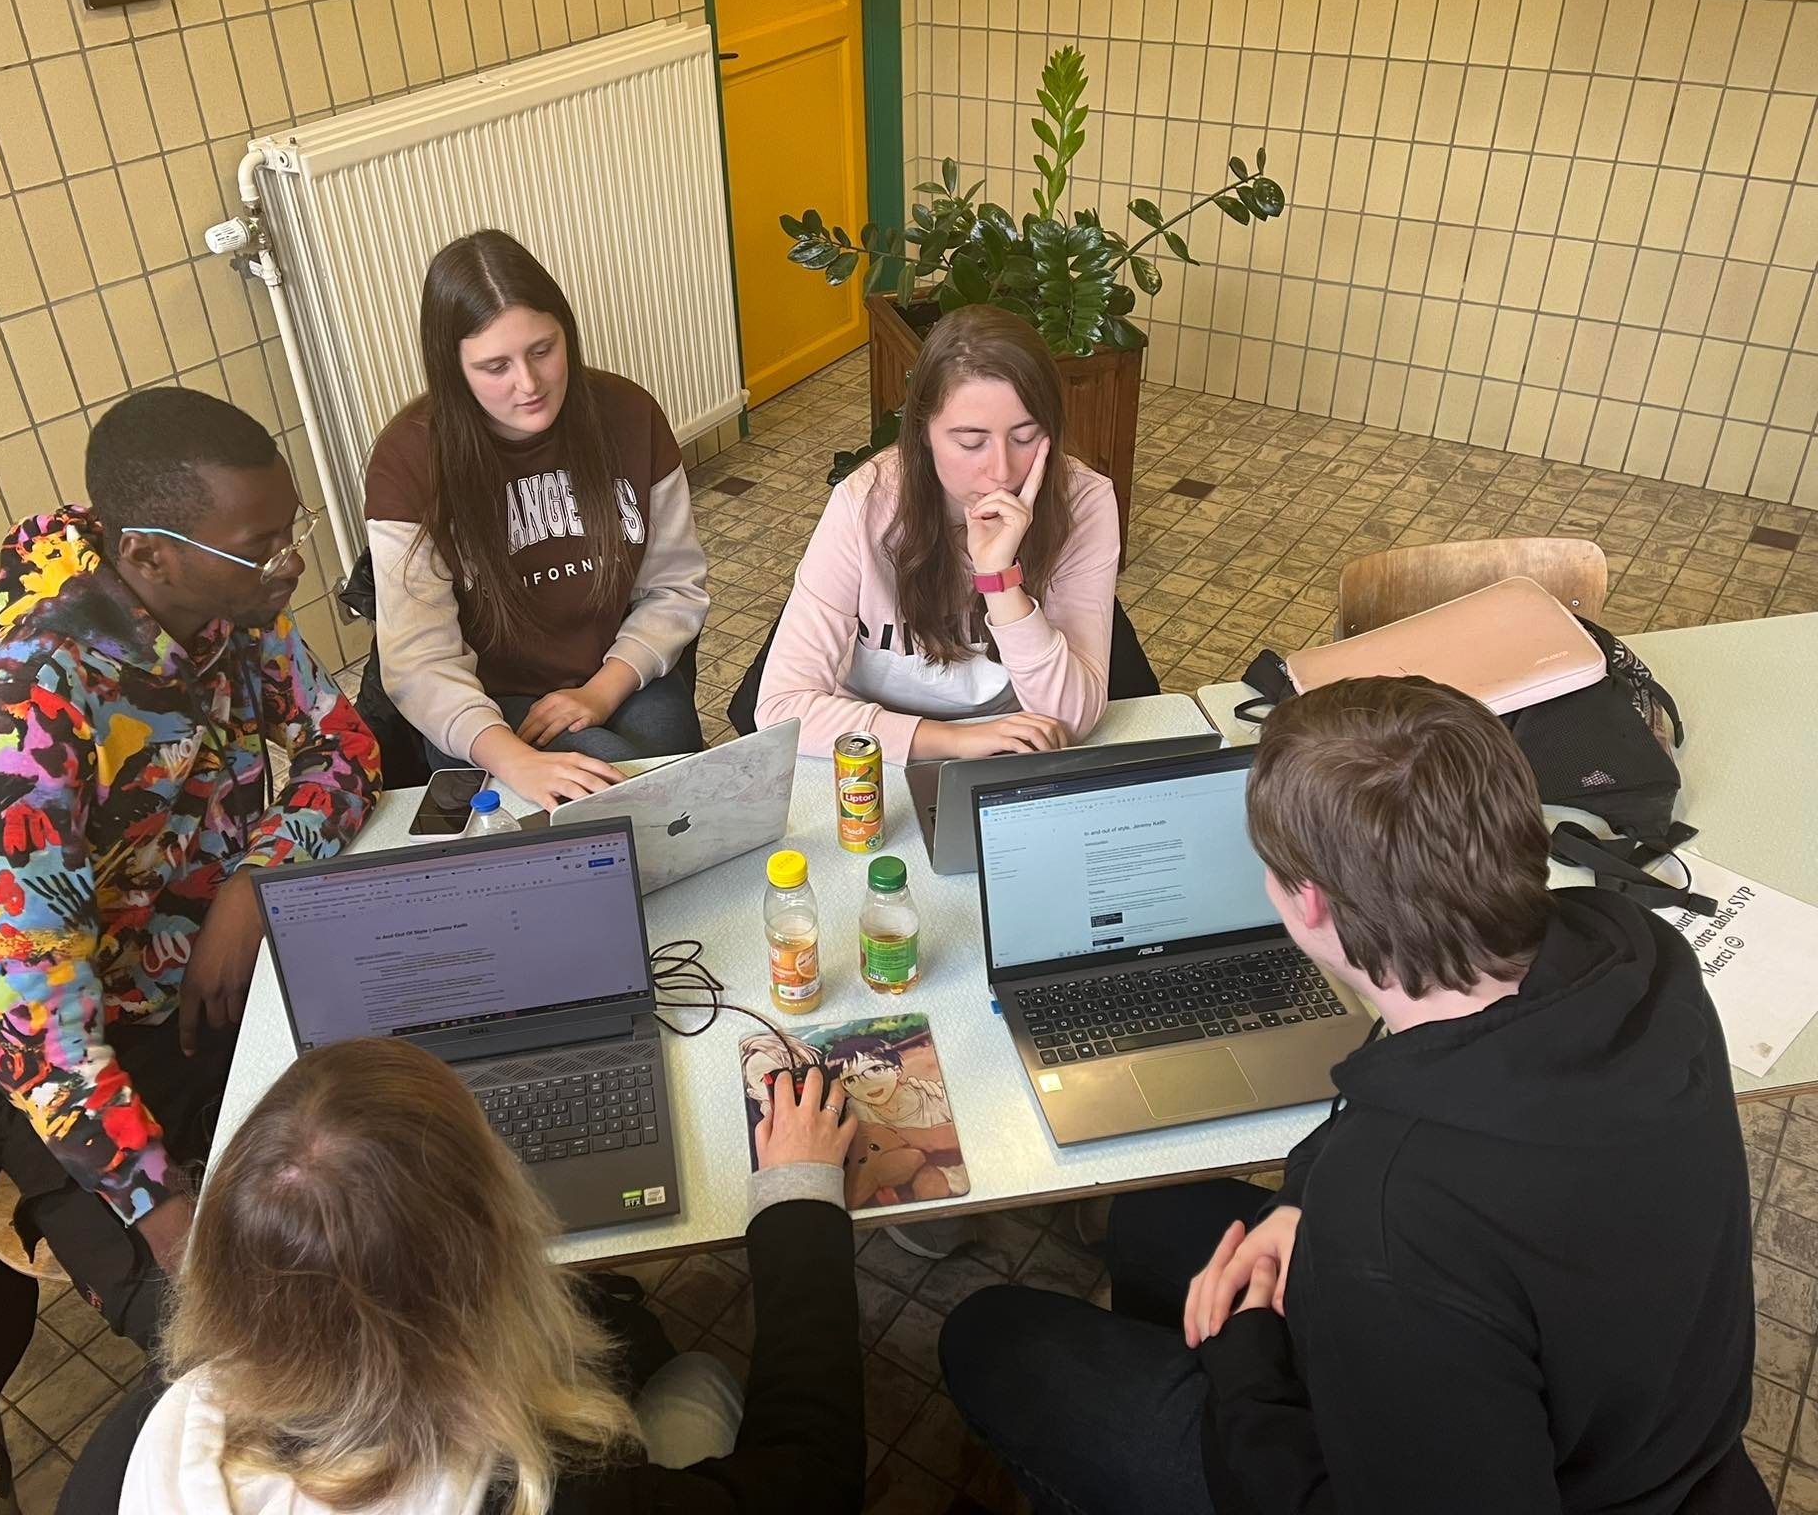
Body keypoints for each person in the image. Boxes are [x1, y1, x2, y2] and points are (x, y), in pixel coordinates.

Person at [940, 676, 1762, 1514]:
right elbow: (1428, 1097)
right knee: (1152, 1216)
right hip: (1644, 1432)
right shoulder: (1634, 950)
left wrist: (1249, 1368)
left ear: (1310, 903)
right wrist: (1301, 1203)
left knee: (990, 1338)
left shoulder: (1391, 1226)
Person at [0, 387, 382, 1350]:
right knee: (220, 1342)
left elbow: (346, 747)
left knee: (396, 1183)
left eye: (285, 534)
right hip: (50, 1061)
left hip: (199, 980)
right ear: (146, 554)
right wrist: (176, 1229)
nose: (288, 564)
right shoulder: (25, 716)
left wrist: (253, 884)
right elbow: (39, 1034)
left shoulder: (235, 602)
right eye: (260, 548)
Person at [107, 1037, 865, 1514]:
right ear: (486, 1269)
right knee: (697, 1378)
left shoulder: (155, 1430)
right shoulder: (558, 1495)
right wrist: (799, 1193)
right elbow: (813, 1472)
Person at [367, 228, 710, 809]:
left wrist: (601, 691)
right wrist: (514, 759)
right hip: (482, 705)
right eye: (494, 366)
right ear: (452, 369)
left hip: (614, 668)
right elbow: (419, 659)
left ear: (567, 335)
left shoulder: (630, 415)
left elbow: (674, 588)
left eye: (543, 350)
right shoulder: (409, 458)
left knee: (663, 777)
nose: (528, 385)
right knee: (608, 789)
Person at [753, 304, 1123, 764]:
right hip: (874, 747)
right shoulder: (867, 501)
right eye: (970, 442)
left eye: (1026, 437)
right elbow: (781, 710)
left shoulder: (1083, 500)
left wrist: (999, 579)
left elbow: (1071, 718)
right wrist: (955, 741)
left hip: (1009, 746)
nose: (1001, 471)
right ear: (924, 431)